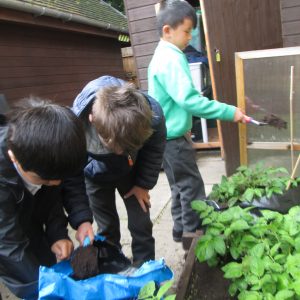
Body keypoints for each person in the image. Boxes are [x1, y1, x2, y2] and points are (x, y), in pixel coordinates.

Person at [148, 0, 249, 243]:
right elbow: (189, 100)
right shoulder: (171, 58)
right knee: (192, 186)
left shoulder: (162, 55)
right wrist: (229, 112)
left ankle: (179, 229)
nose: (190, 38)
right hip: (172, 139)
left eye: (192, 32)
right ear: (167, 31)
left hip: (166, 136)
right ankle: (194, 237)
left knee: (179, 186)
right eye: (186, 32)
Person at [0, 97, 94, 299]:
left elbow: (52, 195)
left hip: (25, 212)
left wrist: (58, 233)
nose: (56, 184)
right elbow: (8, 244)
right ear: (13, 157)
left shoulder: (53, 147)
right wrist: (44, 289)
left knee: (47, 262)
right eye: (47, 179)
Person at [73, 76, 166, 266]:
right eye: (113, 146)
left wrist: (143, 185)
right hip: (95, 175)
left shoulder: (152, 115)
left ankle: (145, 272)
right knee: (106, 227)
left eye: (127, 147)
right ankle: (112, 265)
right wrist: (82, 217)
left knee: (141, 223)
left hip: (132, 173)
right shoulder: (76, 126)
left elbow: (154, 151)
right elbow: (73, 174)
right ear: (92, 120)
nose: (120, 151)